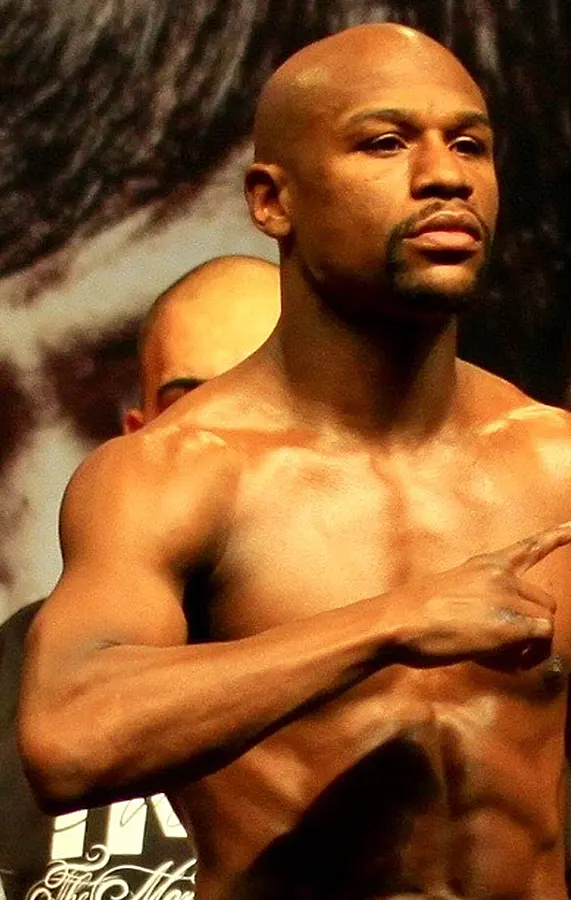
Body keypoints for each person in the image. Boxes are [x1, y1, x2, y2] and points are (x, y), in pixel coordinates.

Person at [18, 24, 571, 900]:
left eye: (469, 143)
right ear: (272, 201)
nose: (444, 175)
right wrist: (392, 622)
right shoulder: (174, 475)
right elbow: (70, 738)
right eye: (385, 142)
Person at [0, 255, 279, 897]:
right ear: (137, 439)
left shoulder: (408, 672)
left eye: (269, 404)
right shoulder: (19, 670)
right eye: (193, 407)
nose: (225, 442)